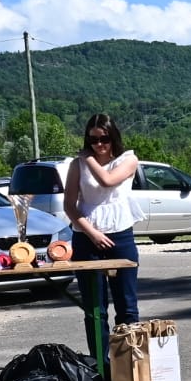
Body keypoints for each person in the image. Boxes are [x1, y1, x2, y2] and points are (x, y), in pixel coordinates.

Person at [63, 113, 143, 335]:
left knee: (127, 306)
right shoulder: (76, 166)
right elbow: (69, 205)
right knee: (95, 309)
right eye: (92, 140)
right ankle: (101, 365)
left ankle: (129, 365)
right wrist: (92, 233)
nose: (98, 144)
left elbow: (107, 182)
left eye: (104, 139)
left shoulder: (128, 160)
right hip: (87, 237)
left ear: (113, 137)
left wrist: (87, 158)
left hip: (120, 234)